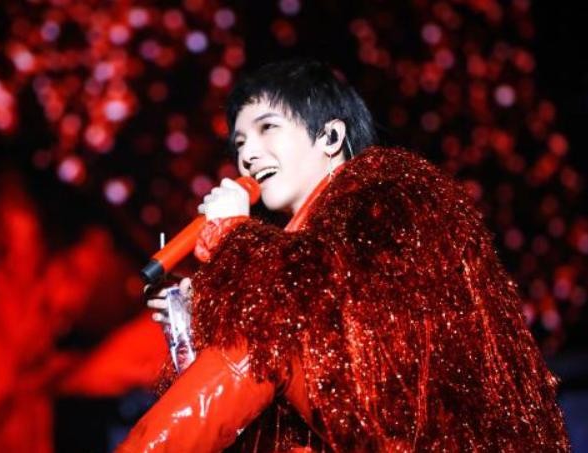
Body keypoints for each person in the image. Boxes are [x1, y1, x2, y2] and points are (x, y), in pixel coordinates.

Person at [117, 59, 568, 452]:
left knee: (265, 331)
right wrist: (194, 321)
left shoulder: (390, 197)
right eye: (238, 144)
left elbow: (348, 332)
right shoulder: (290, 255)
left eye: (267, 128)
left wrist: (232, 234)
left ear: (330, 135)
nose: (248, 155)